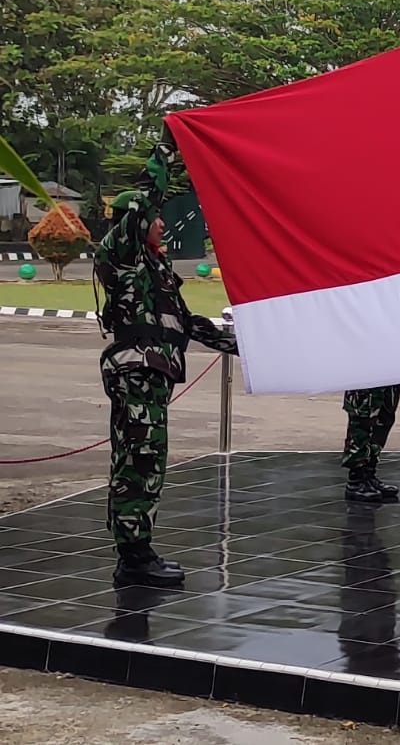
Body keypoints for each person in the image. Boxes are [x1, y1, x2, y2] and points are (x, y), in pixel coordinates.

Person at [94, 133, 238, 587]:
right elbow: (143, 200)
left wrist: (244, 344)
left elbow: (183, 323)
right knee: (139, 460)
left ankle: (137, 551)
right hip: (136, 373)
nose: (160, 224)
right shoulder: (121, 255)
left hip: (152, 376)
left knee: (148, 460)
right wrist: (166, 149)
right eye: (155, 217)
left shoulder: (156, 270)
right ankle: (134, 557)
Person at [342, 385, 400, 502]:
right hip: (366, 380)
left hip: (389, 376)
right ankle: (356, 479)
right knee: (362, 422)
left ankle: (369, 473)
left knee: (384, 419)